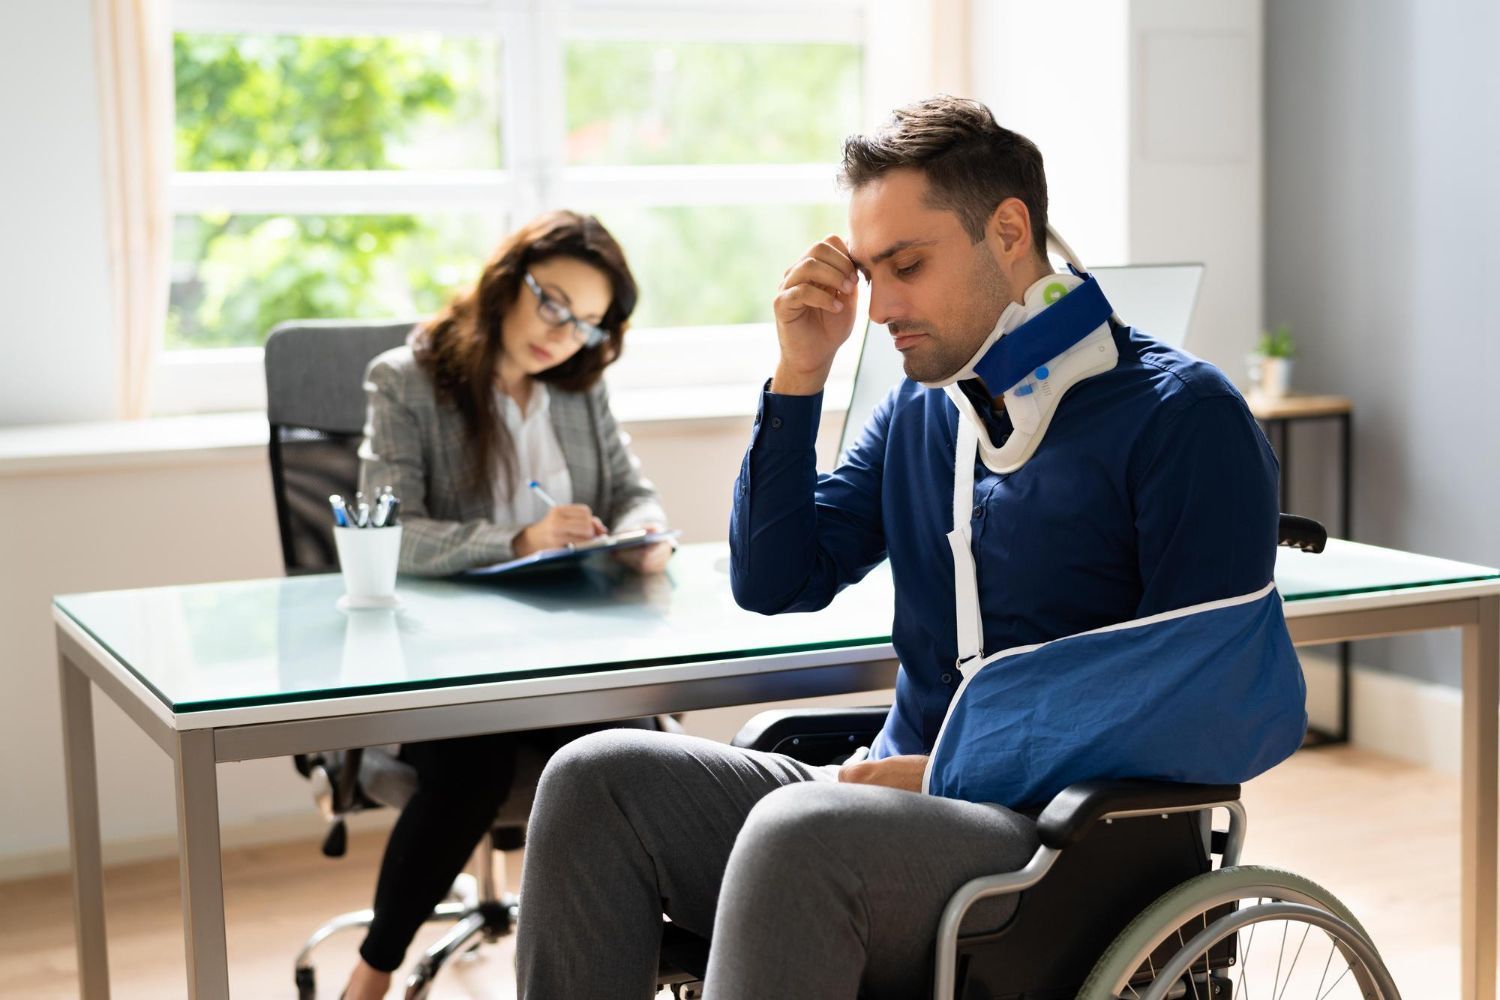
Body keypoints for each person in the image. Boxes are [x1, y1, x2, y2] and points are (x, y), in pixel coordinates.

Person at [512, 97, 1306, 999]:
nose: (880, 305)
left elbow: (1203, 707)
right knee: (593, 779)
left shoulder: (1183, 417)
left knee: (799, 831)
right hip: (878, 813)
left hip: (1063, 847)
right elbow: (777, 579)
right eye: (868, 270)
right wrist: (801, 374)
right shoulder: (923, 409)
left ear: (1009, 230)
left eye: (908, 266)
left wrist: (944, 773)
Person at [343, 209, 674, 1000]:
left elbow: (631, 491)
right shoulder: (406, 380)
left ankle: (628, 966)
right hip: (447, 657)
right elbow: (390, 531)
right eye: (554, 303)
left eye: (588, 324)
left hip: (562, 649)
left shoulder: (578, 391)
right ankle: (373, 972)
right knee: (472, 763)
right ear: (508, 282)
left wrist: (641, 532)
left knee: (640, 751)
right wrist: (519, 541)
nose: (563, 335)